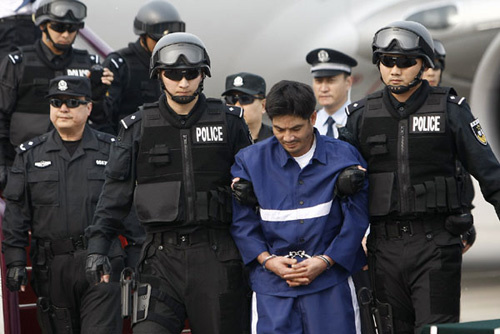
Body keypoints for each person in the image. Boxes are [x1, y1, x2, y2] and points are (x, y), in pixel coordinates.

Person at [85, 32, 252, 334]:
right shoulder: (136, 128)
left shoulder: (229, 123)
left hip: (217, 256)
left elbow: (259, 187)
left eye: (192, 73)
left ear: (203, 75)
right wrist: (97, 246)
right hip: (159, 261)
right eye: (174, 73)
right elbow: (113, 194)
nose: (183, 81)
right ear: (159, 75)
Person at [342, 20, 500, 333]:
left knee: (435, 330)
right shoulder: (361, 116)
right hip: (383, 248)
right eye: (387, 61)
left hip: (436, 245)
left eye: (405, 62)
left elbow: (491, 176)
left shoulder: (451, 110)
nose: (395, 69)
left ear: (424, 63)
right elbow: (337, 184)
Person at [231, 80, 368, 334]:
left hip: (331, 285)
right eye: (279, 129)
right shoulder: (249, 161)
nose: (288, 137)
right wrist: (269, 261)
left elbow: (356, 219)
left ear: (313, 118)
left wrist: (325, 261)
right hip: (271, 289)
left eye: (296, 128)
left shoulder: (344, 157)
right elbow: (242, 223)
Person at [1, 76, 123, 334]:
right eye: (57, 102)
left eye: (72, 102)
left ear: (89, 107)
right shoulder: (30, 155)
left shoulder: (110, 151)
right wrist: (14, 261)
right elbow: (16, 213)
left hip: (101, 262)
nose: (63, 109)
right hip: (51, 268)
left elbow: (128, 207)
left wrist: (136, 255)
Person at [0, 0, 114, 190]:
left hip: (76, 169)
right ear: (43, 26)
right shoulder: (17, 63)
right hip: (24, 166)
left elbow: (102, 121)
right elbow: (1, 117)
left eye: (72, 29)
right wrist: (2, 165)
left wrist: (97, 96)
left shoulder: (88, 64)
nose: (66, 34)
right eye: (59, 27)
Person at [422, 39, 477, 253]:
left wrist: (466, 215)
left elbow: (464, 167)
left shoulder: (454, 108)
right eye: (428, 66)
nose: (432, 73)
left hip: (447, 211)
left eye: (437, 67)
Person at [103, 0, 185, 133]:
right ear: (143, 35)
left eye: (170, 40)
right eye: (158, 40)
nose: (164, 45)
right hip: (130, 143)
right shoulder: (120, 64)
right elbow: (104, 118)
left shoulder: (180, 63)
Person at [306, 48, 357, 138]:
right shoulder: (308, 124)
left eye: (331, 81)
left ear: (348, 82)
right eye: (318, 81)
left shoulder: (359, 121)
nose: (323, 89)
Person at [222, 72, 272, 143]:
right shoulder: (218, 141)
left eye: (245, 99)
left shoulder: (278, 141)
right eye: (231, 99)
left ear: (263, 105)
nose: (237, 106)